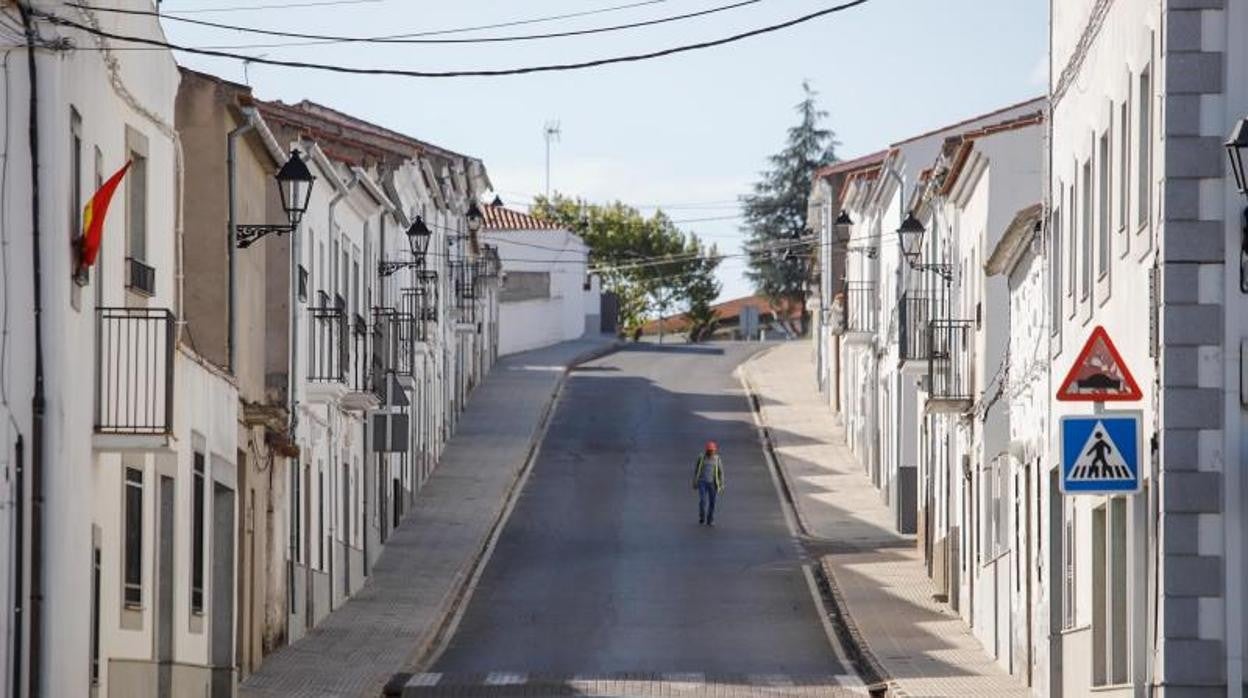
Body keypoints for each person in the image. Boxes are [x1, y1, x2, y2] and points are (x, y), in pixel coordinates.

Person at [691, 441, 724, 526]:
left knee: (712, 502)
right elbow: (697, 470)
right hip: (702, 482)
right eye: (709, 450)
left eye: (712, 450)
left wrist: (721, 484)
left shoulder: (717, 459)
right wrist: (695, 481)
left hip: (713, 484)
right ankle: (702, 516)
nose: (711, 452)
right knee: (703, 501)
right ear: (707, 450)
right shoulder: (701, 458)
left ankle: (710, 520)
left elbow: (721, 472)